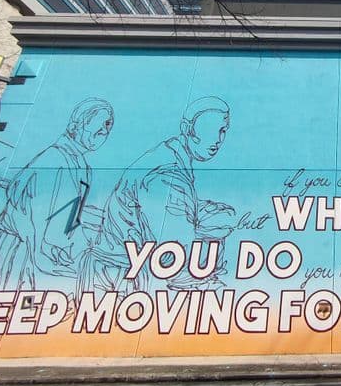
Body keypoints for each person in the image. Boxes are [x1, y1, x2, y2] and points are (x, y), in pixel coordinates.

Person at [79, 96, 236, 296]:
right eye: (209, 130)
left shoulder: (171, 157)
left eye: (223, 131)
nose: (217, 140)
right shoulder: (167, 174)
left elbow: (177, 208)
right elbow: (173, 254)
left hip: (126, 273)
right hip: (121, 282)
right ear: (188, 129)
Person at [0, 98, 114, 291]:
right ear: (76, 125)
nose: (104, 131)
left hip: (43, 248)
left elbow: (67, 211)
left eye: (107, 127)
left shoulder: (81, 165)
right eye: (99, 124)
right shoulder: (55, 158)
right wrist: (51, 250)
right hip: (21, 250)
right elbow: (37, 214)